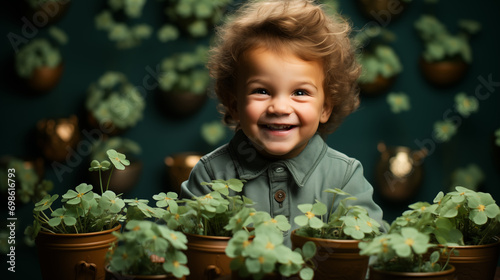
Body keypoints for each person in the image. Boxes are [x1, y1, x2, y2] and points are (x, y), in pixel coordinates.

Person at [180, 0, 384, 245]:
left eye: (300, 92)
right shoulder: (211, 173)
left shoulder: (345, 177)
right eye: (262, 91)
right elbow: (179, 243)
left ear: (325, 107)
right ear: (235, 105)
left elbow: (372, 252)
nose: (279, 108)